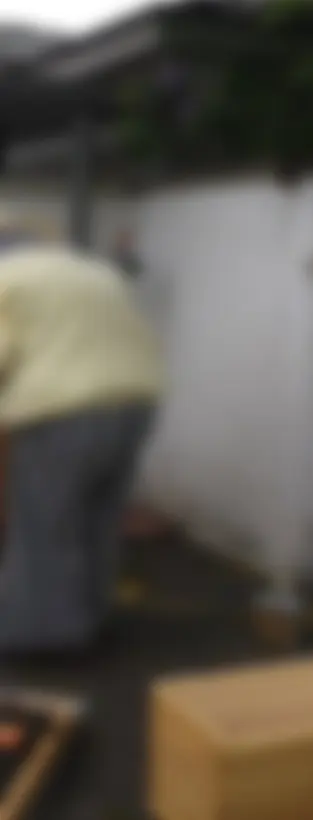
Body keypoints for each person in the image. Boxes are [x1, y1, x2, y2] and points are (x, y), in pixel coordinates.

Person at [0, 209, 165, 655]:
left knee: (44, 525)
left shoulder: (5, 278)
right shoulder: (89, 269)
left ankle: (42, 638)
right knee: (97, 519)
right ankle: (91, 618)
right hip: (137, 399)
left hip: (63, 408)